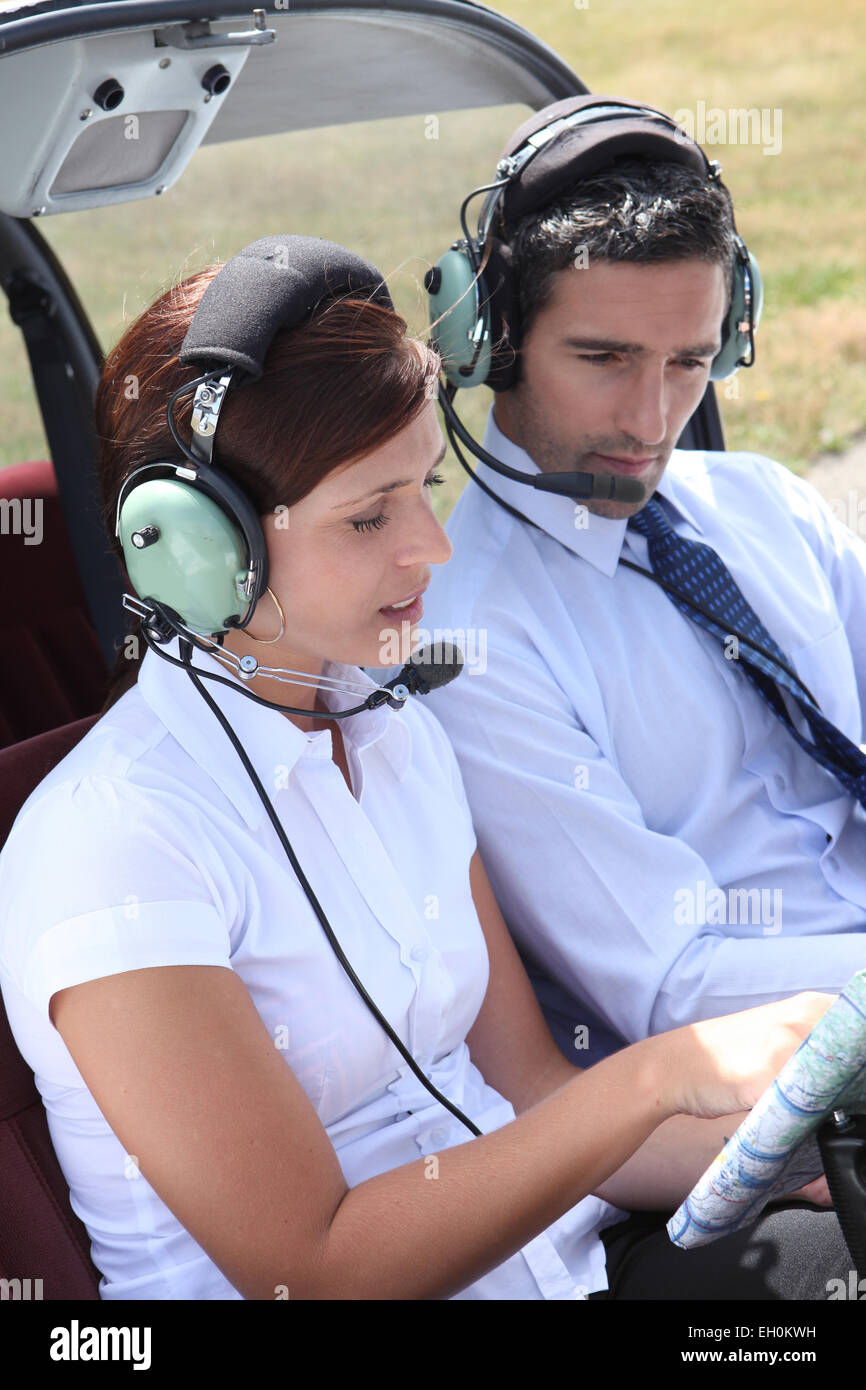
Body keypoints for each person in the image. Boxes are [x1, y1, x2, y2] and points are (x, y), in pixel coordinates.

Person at [0, 236, 848, 1302]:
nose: (432, 551)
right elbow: (314, 1269)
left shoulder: (398, 737)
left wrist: (789, 1154)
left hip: (573, 1268)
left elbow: (525, 1090)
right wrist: (654, 1078)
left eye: (423, 490)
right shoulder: (113, 849)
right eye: (368, 516)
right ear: (198, 547)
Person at [419, 96, 866, 1077]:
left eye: (690, 362)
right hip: (775, 1089)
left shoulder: (764, 502)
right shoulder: (469, 644)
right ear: (489, 335)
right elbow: (669, 983)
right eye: (602, 359)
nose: (651, 417)